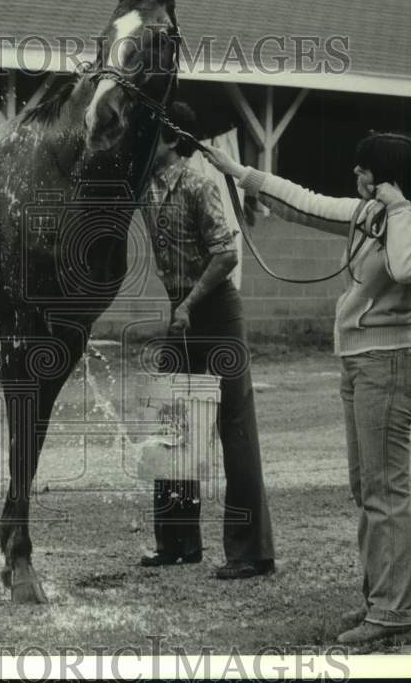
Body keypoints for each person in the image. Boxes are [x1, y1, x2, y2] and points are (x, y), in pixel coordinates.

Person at [202, 131, 411, 642]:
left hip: (390, 367)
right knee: (367, 490)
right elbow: (303, 203)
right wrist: (238, 173)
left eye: (367, 171)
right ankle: (379, 601)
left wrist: (399, 208)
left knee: (386, 492)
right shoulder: (369, 216)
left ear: (391, 177)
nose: (357, 178)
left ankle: (393, 613)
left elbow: (406, 268)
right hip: (358, 366)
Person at [138, 102, 276, 580]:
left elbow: (225, 253)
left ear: (174, 140)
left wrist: (189, 303)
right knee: (176, 422)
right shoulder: (145, 188)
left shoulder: (198, 184)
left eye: (151, 133)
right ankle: (177, 544)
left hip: (213, 310)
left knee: (234, 428)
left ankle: (251, 553)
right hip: (184, 311)